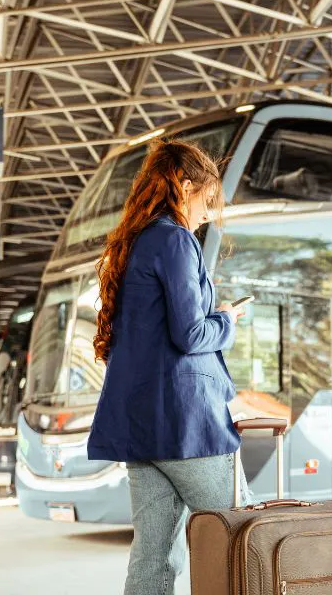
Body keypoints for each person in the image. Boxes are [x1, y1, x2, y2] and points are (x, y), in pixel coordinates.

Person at [87, 139, 248, 595]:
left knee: (154, 555)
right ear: (184, 185)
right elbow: (191, 335)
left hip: (142, 429)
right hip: (186, 424)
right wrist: (228, 319)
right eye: (207, 199)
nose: (208, 213)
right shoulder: (175, 239)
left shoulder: (135, 243)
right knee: (245, 533)